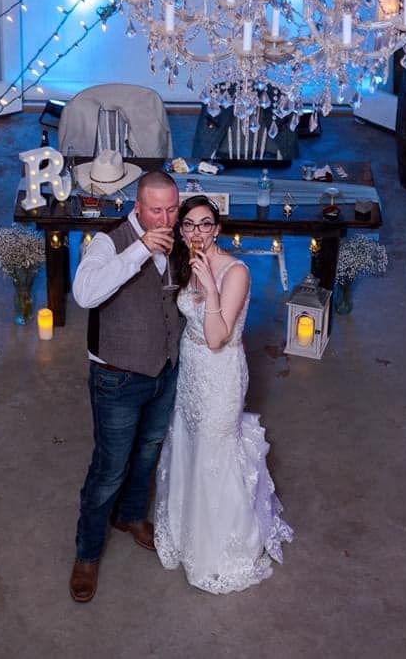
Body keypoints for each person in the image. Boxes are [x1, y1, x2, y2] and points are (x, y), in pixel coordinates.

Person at [154, 195, 293, 594]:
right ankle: (185, 534)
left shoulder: (236, 272)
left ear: (218, 228)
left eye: (205, 224)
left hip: (220, 372)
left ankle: (219, 548)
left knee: (215, 452)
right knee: (188, 444)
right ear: (181, 231)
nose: (197, 232)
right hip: (191, 371)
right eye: (189, 225)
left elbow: (216, 337)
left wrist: (210, 289)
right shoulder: (184, 263)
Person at [69, 170, 182, 603]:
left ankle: (131, 516)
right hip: (117, 376)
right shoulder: (109, 241)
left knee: (148, 452)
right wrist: (140, 249)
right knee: (108, 469)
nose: (166, 218)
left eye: (172, 208)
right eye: (157, 210)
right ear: (137, 207)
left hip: (164, 370)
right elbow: (85, 293)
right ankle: (87, 554)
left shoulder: (177, 236)